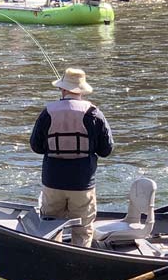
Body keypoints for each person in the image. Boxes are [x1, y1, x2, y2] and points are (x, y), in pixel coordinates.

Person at [30, 67, 114, 247]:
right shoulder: (94, 114)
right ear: (82, 90)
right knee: (83, 231)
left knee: (50, 229)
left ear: (62, 89)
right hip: (82, 184)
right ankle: (78, 264)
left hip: (52, 181)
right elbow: (106, 149)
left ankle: (53, 262)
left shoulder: (47, 112)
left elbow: (36, 147)